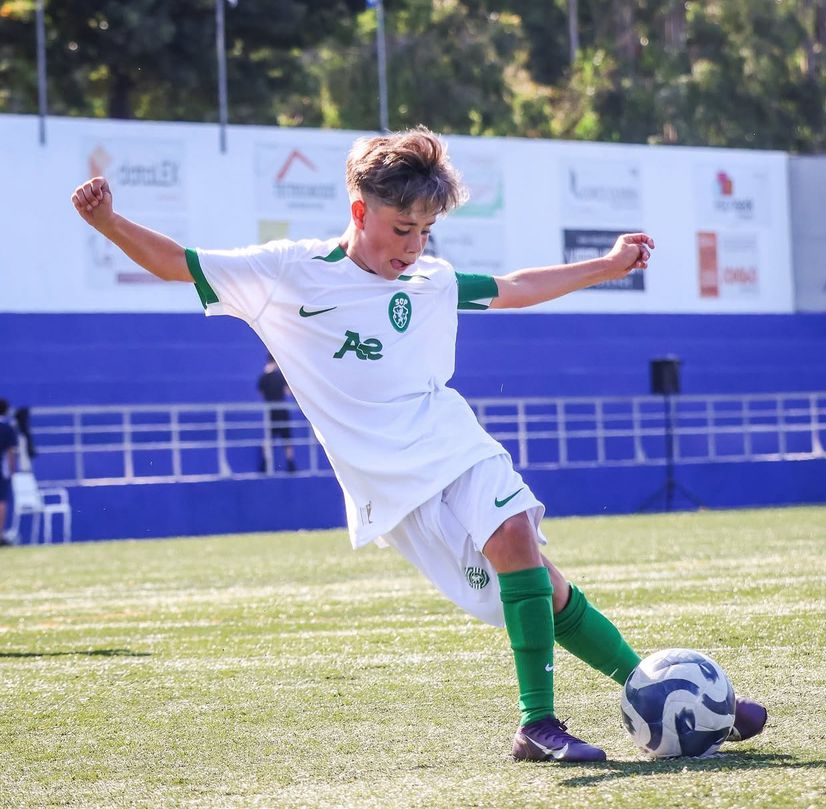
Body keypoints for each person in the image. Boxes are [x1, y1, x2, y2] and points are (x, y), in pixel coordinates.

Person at [71, 127, 766, 762]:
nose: (412, 246)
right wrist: (107, 223)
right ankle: (676, 699)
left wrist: (605, 266)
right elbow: (176, 263)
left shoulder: (430, 281)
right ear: (359, 210)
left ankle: (541, 723)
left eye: (425, 232)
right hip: (389, 483)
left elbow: (514, 287)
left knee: (516, 534)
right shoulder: (289, 272)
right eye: (402, 228)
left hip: (451, 439)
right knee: (546, 593)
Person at [258, 353, 297, 473]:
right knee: (286, 437)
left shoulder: (263, 378)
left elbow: (261, 393)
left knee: (269, 437)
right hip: (282, 411)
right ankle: (290, 464)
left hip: (270, 412)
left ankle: (265, 463)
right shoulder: (280, 376)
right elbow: (288, 392)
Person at [0, 399, 18, 547]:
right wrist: (12, 470)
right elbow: (11, 452)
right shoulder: (6, 428)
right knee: (1, 502)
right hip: (1, 470)